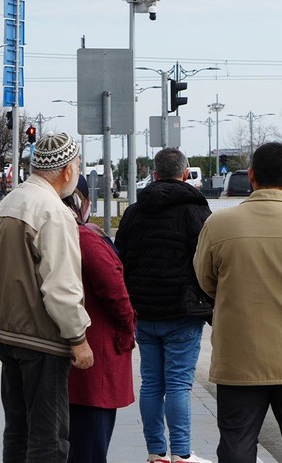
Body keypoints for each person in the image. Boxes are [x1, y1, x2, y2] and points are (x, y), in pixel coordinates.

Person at [193, 143, 282, 463]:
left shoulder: (219, 225)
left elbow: (206, 282)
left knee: (237, 441)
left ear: (251, 176)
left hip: (239, 358)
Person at [0, 132, 93, 462]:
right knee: (49, 436)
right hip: (41, 338)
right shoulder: (54, 213)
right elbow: (62, 287)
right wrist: (78, 338)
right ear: (68, 171)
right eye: (76, 164)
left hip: (7, 332)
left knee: (17, 430)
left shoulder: (9, 202)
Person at [114, 147, 213, 463]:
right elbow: (207, 262)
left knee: (152, 383)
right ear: (186, 175)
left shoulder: (134, 212)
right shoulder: (196, 212)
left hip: (144, 312)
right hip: (182, 312)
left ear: (154, 175)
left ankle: (156, 453)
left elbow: (120, 260)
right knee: (180, 385)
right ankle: (182, 454)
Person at [63, 175, 136, 463]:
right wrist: (128, 328)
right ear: (82, 201)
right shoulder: (85, 239)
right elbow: (116, 293)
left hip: (75, 355)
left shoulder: (62, 234)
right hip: (95, 354)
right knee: (91, 445)